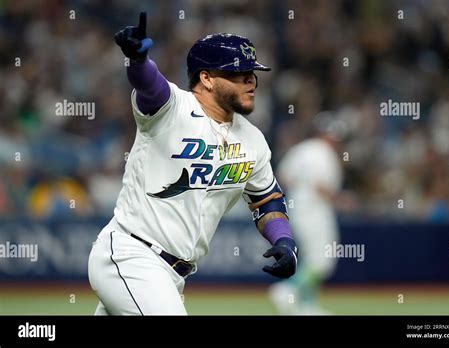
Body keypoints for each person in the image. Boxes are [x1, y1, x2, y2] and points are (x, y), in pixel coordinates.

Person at [88, 12, 297, 315]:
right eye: (239, 73)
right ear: (206, 78)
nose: (251, 80)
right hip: (132, 255)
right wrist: (138, 61)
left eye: (253, 73)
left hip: (172, 275)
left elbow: (266, 200)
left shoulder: (253, 141)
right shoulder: (173, 108)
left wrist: (285, 240)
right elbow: (150, 87)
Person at [269, 112, 346, 315]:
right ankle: (287, 289)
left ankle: (306, 305)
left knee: (311, 258)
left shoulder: (300, 149)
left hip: (295, 209)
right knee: (322, 260)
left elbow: (283, 178)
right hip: (316, 210)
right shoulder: (326, 153)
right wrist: (342, 200)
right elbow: (324, 188)